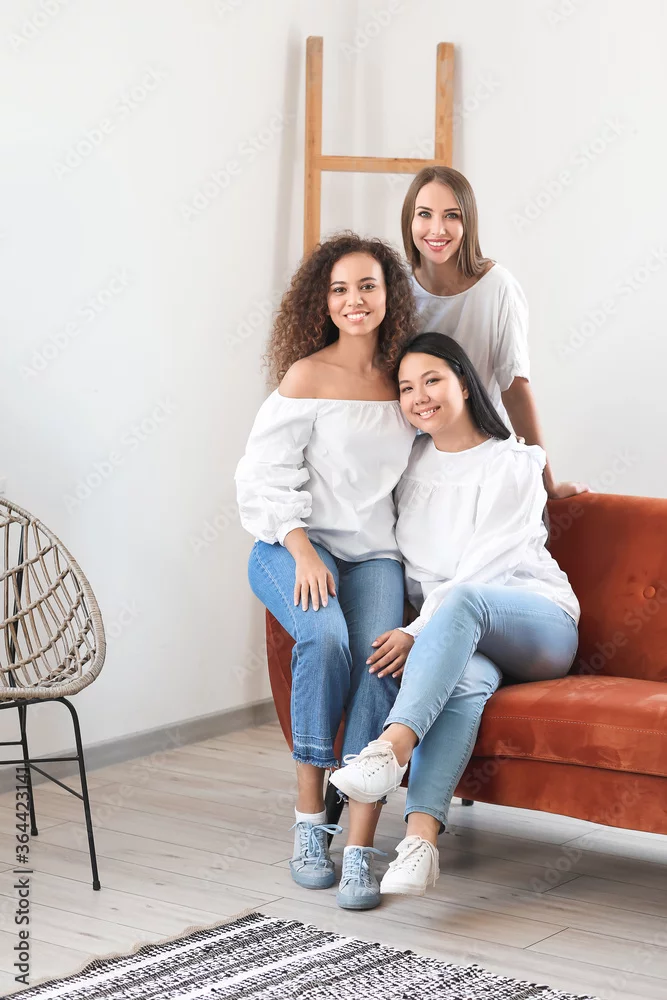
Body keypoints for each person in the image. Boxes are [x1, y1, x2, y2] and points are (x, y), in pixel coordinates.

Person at [331, 332, 580, 897]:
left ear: (464, 383)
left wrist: (416, 631)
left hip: (537, 625)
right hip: (461, 635)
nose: (419, 396)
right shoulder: (408, 464)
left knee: (466, 602)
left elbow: (480, 575)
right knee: (462, 684)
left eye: (432, 380)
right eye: (406, 388)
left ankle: (392, 749)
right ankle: (420, 845)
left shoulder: (512, 461)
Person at [235, 232, 417, 910]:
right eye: (340, 288)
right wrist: (303, 549)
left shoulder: (403, 379)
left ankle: (361, 840)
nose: (353, 300)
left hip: (374, 553)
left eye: (367, 285)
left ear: (389, 295)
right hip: (290, 545)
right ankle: (310, 822)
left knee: (379, 658)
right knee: (325, 637)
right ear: (323, 299)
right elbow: (261, 477)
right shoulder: (305, 376)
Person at [401, 164, 587, 500]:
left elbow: (514, 387)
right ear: (409, 221)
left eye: (452, 215)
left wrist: (546, 483)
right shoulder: (396, 287)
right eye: (424, 214)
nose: (437, 229)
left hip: (478, 458)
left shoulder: (497, 288)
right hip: (409, 461)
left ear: (468, 223)